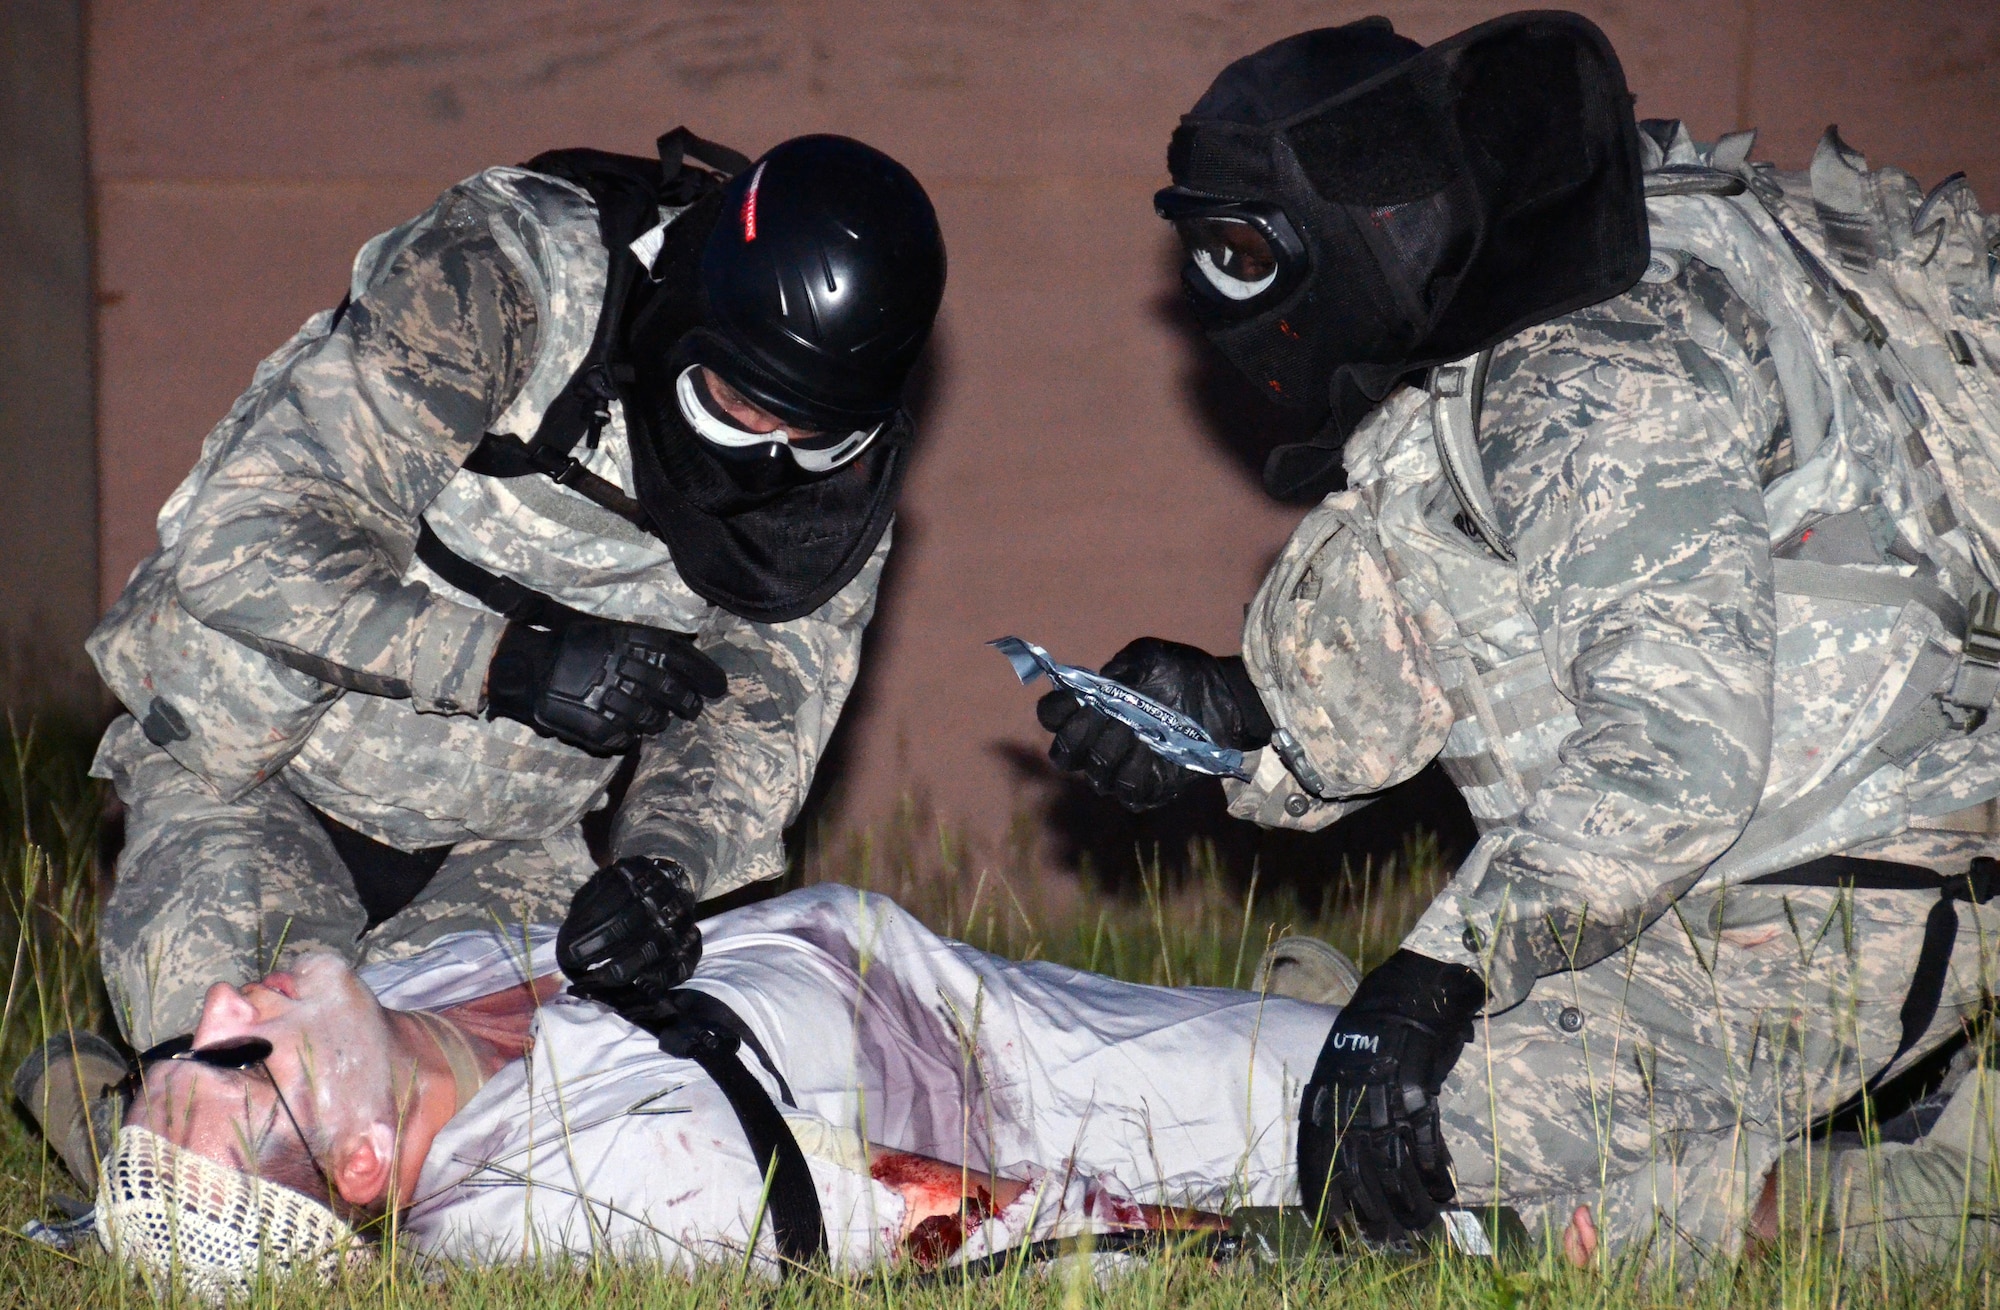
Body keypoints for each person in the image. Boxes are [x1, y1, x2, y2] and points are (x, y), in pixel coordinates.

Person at [1033, 11, 2000, 1266]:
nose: (1213, 299)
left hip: (1840, 892)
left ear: (1368, 227)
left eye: (1239, 252)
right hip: (1750, 874)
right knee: (1316, 1098)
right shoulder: (1491, 345)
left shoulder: (1593, 373)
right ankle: (1871, 1138)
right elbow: (1453, 641)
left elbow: (1677, 758)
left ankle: (1893, 1175)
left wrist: (1437, 975)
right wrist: (1225, 720)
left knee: (1318, 1144)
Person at [21, 129, 947, 1191]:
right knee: (259, 1124)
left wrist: (660, 872)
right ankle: (134, 1117)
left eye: (807, 435)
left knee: (496, 1153)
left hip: (510, 839)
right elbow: (250, 537)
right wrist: (507, 661)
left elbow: (766, 701)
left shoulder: (838, 474)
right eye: (734, 406)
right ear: (683, 310)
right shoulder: (497, 281)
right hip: (265, 769)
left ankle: (110, 1112)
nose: (764, 454)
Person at [92, 886, 1337, 1298]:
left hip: (950, 979)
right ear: (363, 1163)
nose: (216, 1008)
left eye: (187, 1040)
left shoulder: (401, 1001)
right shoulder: (592, 1191)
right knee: (1396, 1104)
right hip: (1037, 1084)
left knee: (1359, 1040)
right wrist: (1249, 1244)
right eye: (236, 1061)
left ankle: (1308, 1014)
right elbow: (980, 1229)